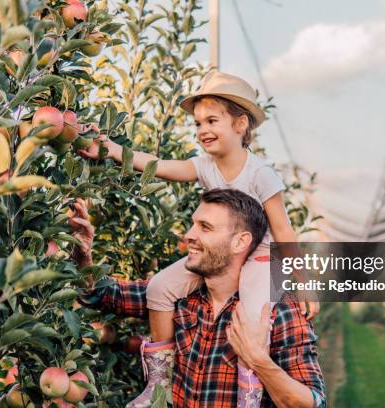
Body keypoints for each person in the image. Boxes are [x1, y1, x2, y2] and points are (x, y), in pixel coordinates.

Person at [78, 71, 319, 407]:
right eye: (197, 124)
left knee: (253, 320)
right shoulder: (204, 166)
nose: (203, 130)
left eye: (212, 121)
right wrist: (112, 150)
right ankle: (159, 385)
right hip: (224, 257)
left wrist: (303, 282)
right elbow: (158, 166)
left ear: (240, 124)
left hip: (260, 258)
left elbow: (283, 231)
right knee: (160, 288)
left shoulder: (261, 174)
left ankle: (249, 397)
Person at [70, 189, 326, 408]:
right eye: (194, 224)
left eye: (205, 227)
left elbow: (312, 401)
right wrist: (83, 258)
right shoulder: (179, 296)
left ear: (240, 242)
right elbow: (102, 295)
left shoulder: (278, 311)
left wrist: (259, 360)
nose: (189, 235)